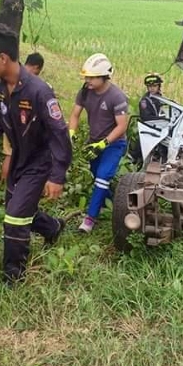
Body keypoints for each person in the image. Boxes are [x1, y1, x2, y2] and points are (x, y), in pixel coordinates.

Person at [0, 23, 71, 284]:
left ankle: (13, 277)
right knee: (20, 209)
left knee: (14, 218)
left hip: (40, 161)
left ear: (3, 58)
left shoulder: (39, 91)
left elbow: (59, 133)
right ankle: (53, 227)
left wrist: (57, 175)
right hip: (18, 159)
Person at [69, 53, 128, 233]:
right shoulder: (85, 91)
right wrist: (71, 132)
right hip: (93, 142)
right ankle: (114, 202)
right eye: (86, 77)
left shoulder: (117, 96)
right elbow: (75, 114)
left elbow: (122, 126)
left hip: (114, 144)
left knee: (102, 177)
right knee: (98, 177)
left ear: (104, 76)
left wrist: (103, 144)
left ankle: (90, 219)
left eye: (92, 77)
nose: (87, 80)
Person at [1, 52, 46, 180]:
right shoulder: (33, 84)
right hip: (23, 126)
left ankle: (3, 185)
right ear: (36, 67)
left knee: (9, 154)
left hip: (8, 122)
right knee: (16, 156)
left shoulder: (12, 77)